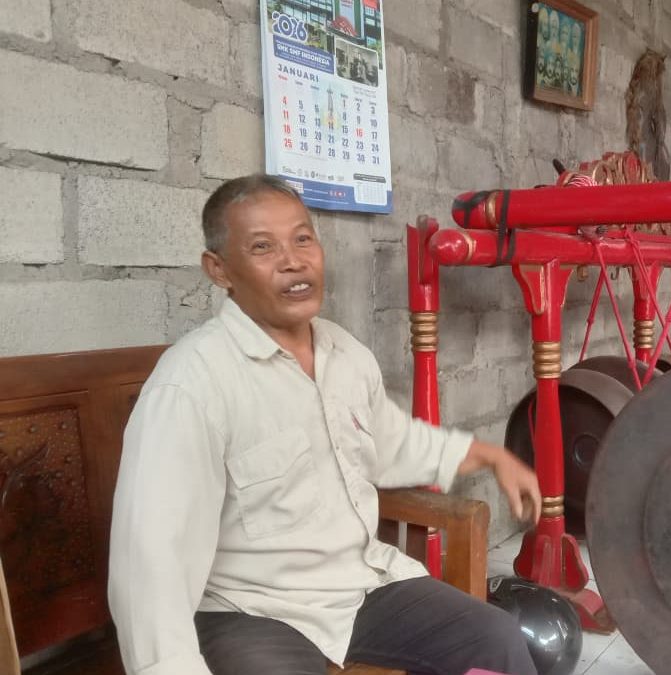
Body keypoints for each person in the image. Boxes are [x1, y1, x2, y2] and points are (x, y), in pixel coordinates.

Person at [108, 174, 542, 675]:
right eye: (262, 247)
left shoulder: (345, 354)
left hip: (359, 582)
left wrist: (491, 455)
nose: (293, 260)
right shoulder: (190, 384)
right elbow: (149, 560)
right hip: (250, 609)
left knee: (495, 639)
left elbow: (394, 443)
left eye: (302, 238)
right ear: (219, 269)